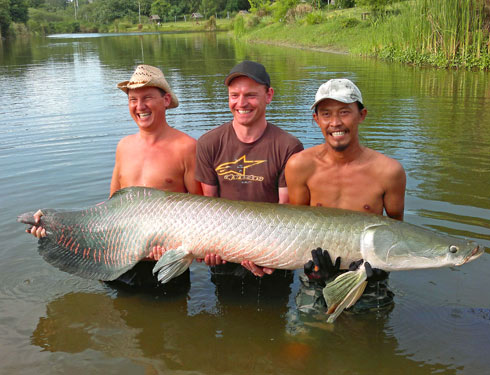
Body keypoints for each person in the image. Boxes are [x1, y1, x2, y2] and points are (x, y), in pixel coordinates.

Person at [27, 64, 202, 290]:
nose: (140, 107)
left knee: (170, 321)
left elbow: (201, 212)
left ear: (166, 100)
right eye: (133, 100)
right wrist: (53, 224)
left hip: (165, 265)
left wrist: (175, 248)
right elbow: (110, 208)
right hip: (118, 263)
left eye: (147, 98)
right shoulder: (124, 146)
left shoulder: (187, 147)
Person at [285, 78, 406, 314]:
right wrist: (313, 270)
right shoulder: (299, 166)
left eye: (344, 112)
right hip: (317, 276)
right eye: (326, 114)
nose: (336, 123)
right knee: (300, 344)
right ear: (316, 119)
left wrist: (381, 268)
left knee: (368, 345)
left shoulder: (389, 171)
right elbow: (295, 226)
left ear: (361, 115)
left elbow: (396, 230)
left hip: (368, 279)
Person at [195, 60, 304, 292]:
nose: (241, 103)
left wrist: (269, 255)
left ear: (269, 95)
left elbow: (285, 208)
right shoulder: (208, 143)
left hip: (273, 251)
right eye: (234, 95)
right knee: (227, 314)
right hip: (224, 252)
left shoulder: (289, 146)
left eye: (251, 95)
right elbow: (209, 208)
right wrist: (209, 249)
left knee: (275, 318)